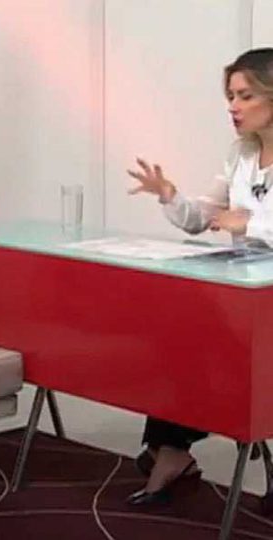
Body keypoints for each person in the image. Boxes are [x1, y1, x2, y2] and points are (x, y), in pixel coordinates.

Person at [125, 48, 273, 505]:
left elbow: (240, 222)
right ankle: (173, 448)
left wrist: (249, 224)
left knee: (201, 333)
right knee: (179, 323)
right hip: (246, 293)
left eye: (245, 96)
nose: (233, 106)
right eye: (230, 96)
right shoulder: (241, 154)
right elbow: (200, 218)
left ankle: (177, 446)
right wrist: (169, 195)